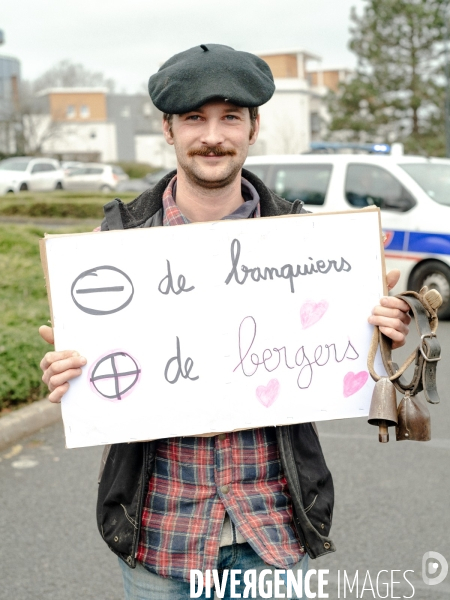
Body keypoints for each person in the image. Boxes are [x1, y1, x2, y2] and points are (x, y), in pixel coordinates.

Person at [39, 44, 411, 600]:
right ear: (168, 129)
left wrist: (378, 333)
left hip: (274, 535)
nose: (212, 136)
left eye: (230, 117)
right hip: (160, 537)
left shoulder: (312, 245)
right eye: (194, 118)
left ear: (254, 126)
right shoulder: (112, 248)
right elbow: (98, 376)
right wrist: (66, 374)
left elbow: (341, 363)